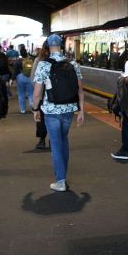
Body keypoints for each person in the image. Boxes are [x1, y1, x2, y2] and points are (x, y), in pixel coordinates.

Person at [32, 34, 84, 192]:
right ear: (61, 45)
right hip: (69, 108)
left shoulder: (43, 65)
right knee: (64, 141)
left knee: (55, 144)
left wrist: (35, 109)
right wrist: (81, 110)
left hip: (51, 110)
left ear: (47, 46)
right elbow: (80, 89)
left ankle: (60, 180)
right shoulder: (73, 63)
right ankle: (62, 176)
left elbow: (37, 93)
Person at [31, 42, 49, 149]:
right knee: (54, 119)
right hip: (56, 97)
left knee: (41, 119)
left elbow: (33, 78)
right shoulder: (60, 60)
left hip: (42, 95)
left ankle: (42, 140)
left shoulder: (39, 60)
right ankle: (53, 139)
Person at [13, 48, 34, 114]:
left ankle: (22, 110)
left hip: (20, 77)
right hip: (30, 77)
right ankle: (32, 107)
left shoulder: (18, 61)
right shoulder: (32, 59)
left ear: (20, 54)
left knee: (21, 94)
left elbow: (15, 71)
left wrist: (12, 79)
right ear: (27, 52)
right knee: (31, 93)